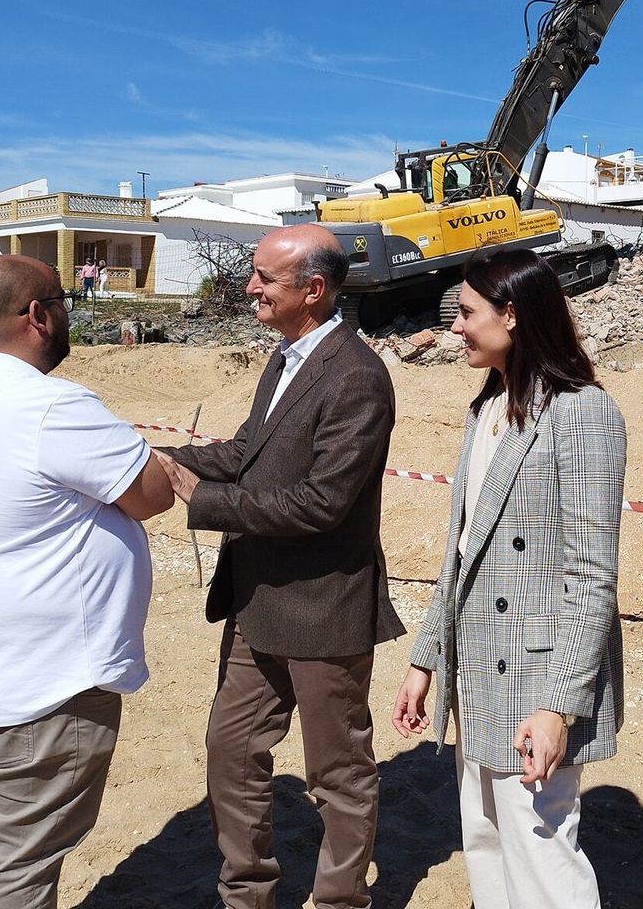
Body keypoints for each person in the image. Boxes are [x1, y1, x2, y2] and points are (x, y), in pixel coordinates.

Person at [154, 223, 403, 909]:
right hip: (256, 600)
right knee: (231, 752)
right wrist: (157, 459)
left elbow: (322, 504)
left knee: (337, 777)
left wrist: (202, 500)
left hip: (324, 609)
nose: (250, 287)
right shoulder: (287, 357)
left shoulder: (356, 378)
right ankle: (247, 894)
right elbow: (247, 452)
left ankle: (339, 902)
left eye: (265, 276)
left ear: (314, 290)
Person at [0, 255, 174, 908]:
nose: (68, 313)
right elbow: (151, 494)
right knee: (21, 859)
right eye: (62, 300)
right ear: (37, 315)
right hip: (48, 681)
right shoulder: (52, 407)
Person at [392, 249, 627, 909]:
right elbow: (461, 556)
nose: (456, 328)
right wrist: (425, 659)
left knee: (543, 854)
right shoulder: (486, 409)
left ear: (513, 315)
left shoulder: (583, 413)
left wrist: (559, 706)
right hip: (479, 669)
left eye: (466, 314)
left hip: (538, 681)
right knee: (487, 840)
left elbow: (591, 577)